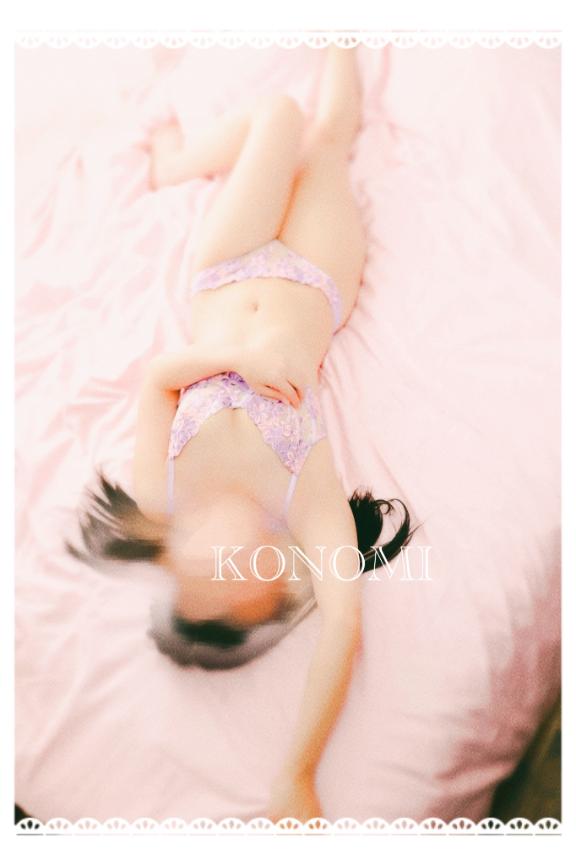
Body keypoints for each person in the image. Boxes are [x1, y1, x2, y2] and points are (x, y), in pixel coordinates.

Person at [66, 44, 414, 822]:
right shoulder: (300, 493)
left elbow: (160, 380)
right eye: (247, 573)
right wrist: (297, 773)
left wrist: (236, 361)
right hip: (315, 277)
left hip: (226, 268)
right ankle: (344, 35)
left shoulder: (162, 498)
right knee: (328, 139)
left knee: (280, 116)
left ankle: (178, 164)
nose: (225, 556)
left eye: (201, 569)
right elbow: (343, 624)